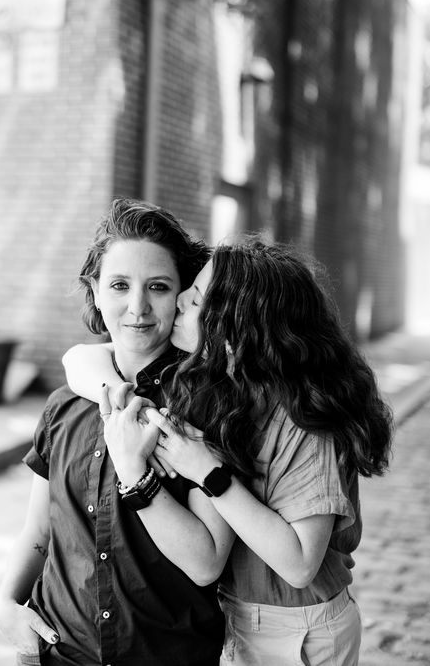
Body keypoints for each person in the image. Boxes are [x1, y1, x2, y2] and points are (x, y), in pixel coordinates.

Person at [64, 237, 394, 666]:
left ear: (236, 330)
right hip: (238, 618)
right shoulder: (230, 385)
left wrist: (209, 472)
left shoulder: (305, 421)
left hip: (299, 631)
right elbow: (79, 358)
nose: (179, 300)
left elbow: (298, 564)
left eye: (195, 298)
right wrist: (119, 400)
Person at [0, 197, 235, 666]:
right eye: (120, 285)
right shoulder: (64, 404)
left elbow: (207, 564)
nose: (138, 307)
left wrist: (137, 477)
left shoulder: (209, 408)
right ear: (95, 291)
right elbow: (40, 529)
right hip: (56, 653)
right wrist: (5, 603)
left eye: (158, 287)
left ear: (183, 295)